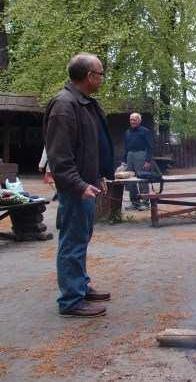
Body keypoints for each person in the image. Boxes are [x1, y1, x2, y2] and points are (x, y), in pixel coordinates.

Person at [44, 52, 115, 318]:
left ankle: (80, 286)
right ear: (89, 76)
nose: (102, 78)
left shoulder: (84, 103)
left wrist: (99, 177)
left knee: (81, 238)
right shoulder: (64, 105)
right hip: (76, 188)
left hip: (87, 184)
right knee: (72, 241)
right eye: (100, 74)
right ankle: (71, 300)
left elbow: (92, 147)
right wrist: (78, 185)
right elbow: (59, 157)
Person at [122, 112, 153, 210]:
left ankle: (145, 202)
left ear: (139, 121)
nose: (132, 121)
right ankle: (135, 202)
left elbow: (150, 146)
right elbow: (126, 147)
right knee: (130, 180)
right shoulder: (127, 132)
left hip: (141, 155)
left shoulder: (145, 131)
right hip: (130, 156)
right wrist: (124, 160)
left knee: (142, 178)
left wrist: (148, 160)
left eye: (134, 119)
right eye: (131, 120)